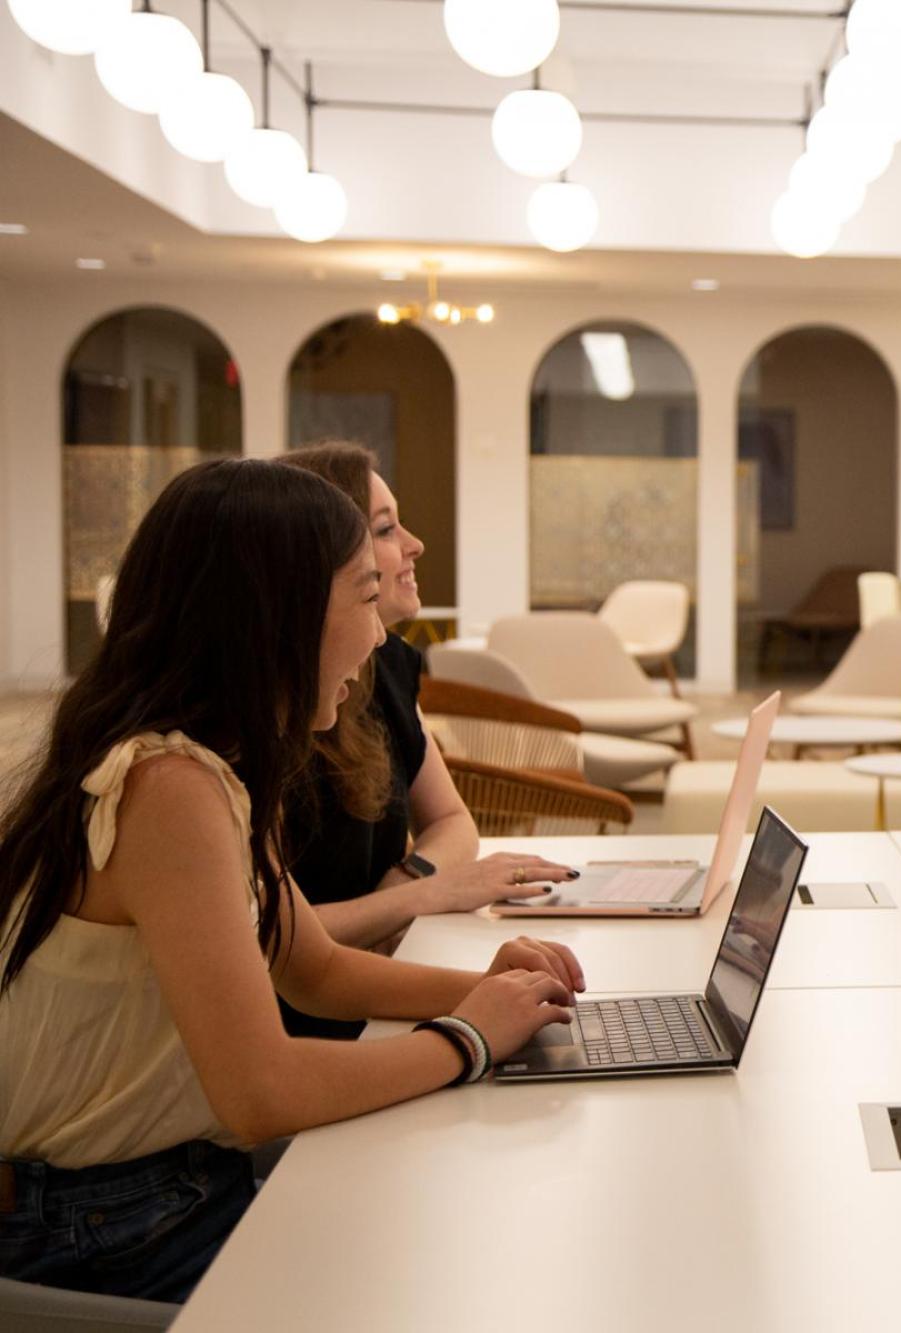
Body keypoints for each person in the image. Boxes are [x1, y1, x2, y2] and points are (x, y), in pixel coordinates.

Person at [0, 459, 586, 1301]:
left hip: (162, 1188)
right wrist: (470, 1039)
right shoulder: (168, 788)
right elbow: (259, 1092)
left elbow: (313, 969)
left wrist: (490, 990)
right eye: (360, 593)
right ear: (276, 612)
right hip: (114, 1224)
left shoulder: (214, 764)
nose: (380, 634)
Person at [276, 445, 573, 1038]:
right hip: (313, 1023)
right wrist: (425, 897)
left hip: (367, 987)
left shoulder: (386, 665)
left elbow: (455, 822)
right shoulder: (227, 748)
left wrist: (410, 885)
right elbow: (278, 950)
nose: (414, 545)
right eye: (386, 529)